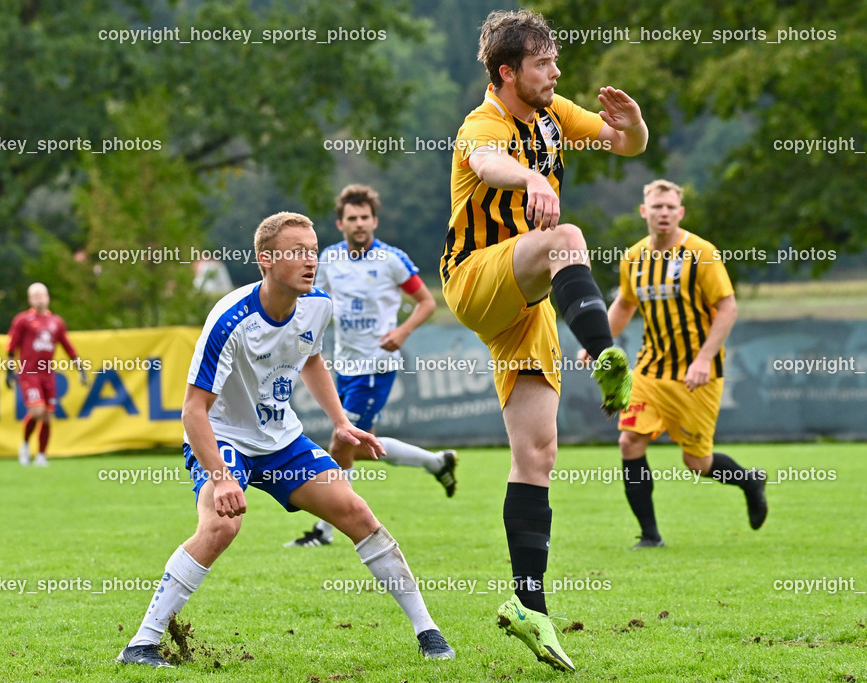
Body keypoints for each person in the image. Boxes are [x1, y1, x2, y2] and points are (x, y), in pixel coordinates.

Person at [117, 212, 455, 668]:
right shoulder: (229, 321)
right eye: (297, 251)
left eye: (313, 250)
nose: (310, 260)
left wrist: (338, 422)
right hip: (224, 438)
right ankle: (141, 643)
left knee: (356, 511)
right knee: (220, 526)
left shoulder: (317, 305)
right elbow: (192, 411)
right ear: (266, 260)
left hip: (281, 441)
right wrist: (221, 478)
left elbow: (311, 359)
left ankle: (429, 633)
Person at [440, 9, 648, 673]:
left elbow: (625, 144)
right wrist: (531, 178)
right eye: (543, 64)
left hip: (525, 306)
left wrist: (634, 121)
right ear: (508, 72)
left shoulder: (554, 111)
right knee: (568, 239)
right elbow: (486, 159)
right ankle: (607, 352)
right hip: (478, 279)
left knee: (537, 452)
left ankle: (527, 604)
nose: (556, 73)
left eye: (555, 62)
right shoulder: (485, 122)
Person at [580, 179, 767, 549]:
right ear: (644, 211)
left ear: (680, 213)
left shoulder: (702, 253)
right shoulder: (634, 257)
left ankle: (748, 481)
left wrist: (702, 359)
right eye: (657, 206)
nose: (663, 213)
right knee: (629, 442)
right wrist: (596, 342)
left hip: (697, 375)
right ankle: (650, 536)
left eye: (670, 207)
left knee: (697, 462)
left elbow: (727, 308)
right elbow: (624, 305)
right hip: (650, 370)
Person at [286, 184, 457, 549]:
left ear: (374, 221)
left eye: (365, 218)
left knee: (340, 441)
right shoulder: (328, 260)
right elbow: (311, 299)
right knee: (361, 445)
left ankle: (326, 530)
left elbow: (427, 302)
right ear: (340, 223)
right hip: (343, 366)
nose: (359, 224)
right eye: (352, 219)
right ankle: (435, 463)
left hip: (376, 366)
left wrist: (402, 331)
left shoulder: (392, 259)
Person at [5, 282, 87, 466]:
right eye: (35, 296)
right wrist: (9, 370)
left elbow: (67, 346)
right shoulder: (23, 320)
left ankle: (41, 455)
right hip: (29, 372)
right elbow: (11, 346)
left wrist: (80, 368)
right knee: (37, 411)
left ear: (48, 297)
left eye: (42, 295)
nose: (39, 300)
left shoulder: (56, 322)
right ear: (30, 299)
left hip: (47, 374)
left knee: (48, 416)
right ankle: (25, 445)